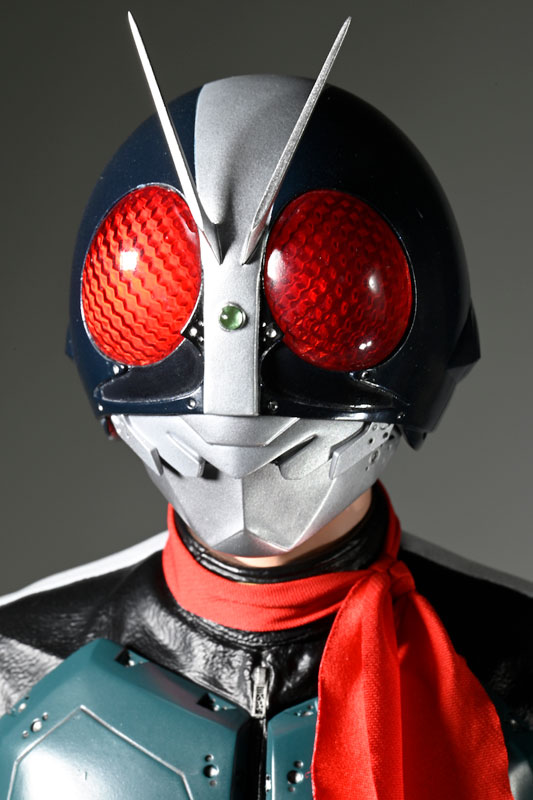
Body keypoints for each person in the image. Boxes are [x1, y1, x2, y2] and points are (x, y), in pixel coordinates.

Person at [0, 15, 531, 800]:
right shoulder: (13, 662)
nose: (237, 399)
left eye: (327, 296)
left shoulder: (516, 662)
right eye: (158, 293)